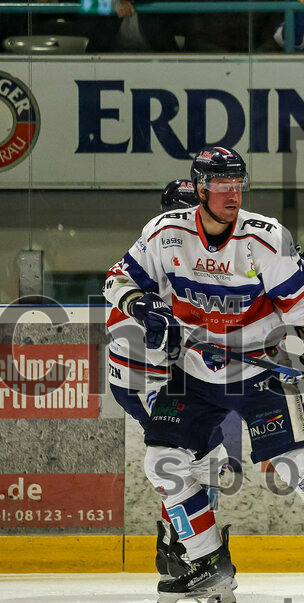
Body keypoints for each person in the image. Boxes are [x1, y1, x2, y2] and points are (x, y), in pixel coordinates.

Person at [102, 146, 304, 603]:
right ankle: (210, 567)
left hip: (258, 368)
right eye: (223, 185)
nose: (233, 193)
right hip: (193, 371)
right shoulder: (165, 233)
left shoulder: (266, 238)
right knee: (163, 462)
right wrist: (140, 304)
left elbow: (302, 311)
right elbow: (116, 280)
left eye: (238, 184)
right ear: (202, 188)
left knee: (297, 466)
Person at [106, 179, 230, 582]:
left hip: (157, 376)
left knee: (204, 460)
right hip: (142, 376)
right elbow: (115, 283)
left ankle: (182, 542)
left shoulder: (190, 254)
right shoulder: (162, 251)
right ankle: (184, 546)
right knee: (188, 458)